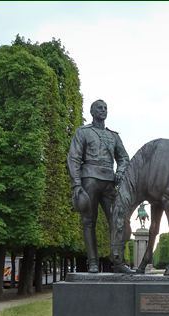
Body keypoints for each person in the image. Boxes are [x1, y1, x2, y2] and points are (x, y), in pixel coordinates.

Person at [67, 99, 131, 273]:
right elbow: (74, 158)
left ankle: (118, 262)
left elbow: (124, 158)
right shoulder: (83, 132)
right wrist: (76, 184)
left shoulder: (114, 136)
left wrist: (120, 172)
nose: (103, 110)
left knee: (117, 220)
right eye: (99, 108)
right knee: (88, 222)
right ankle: (93, 262)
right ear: (92, 112)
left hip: (109, 181)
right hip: (89, 179)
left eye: (105, 108)